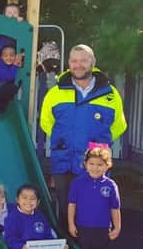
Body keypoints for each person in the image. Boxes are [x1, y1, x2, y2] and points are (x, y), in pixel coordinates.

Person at [40, 44, 127, 231]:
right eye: (74, 61)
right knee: (66, 210)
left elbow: (119, 125)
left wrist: (98, 144)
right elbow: (46, 122)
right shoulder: (56, 92)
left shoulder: (110, 94)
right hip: (64, 162)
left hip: (94, 165)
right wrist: (64, 139)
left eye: (83, 60)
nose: (78, 65)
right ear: (69, 63)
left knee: (94, 212)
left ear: (93, 62)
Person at [68, 145, 121, 249]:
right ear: (85, 164)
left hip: (102, 228)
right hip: (83, 227)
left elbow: (115, 208)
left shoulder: (111, 185)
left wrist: (117, 227)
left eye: (100, 164)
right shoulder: (78, 183)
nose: (95, 168)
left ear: (107, 165)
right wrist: (71, 224)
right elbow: (72, 204)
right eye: (91, 164)